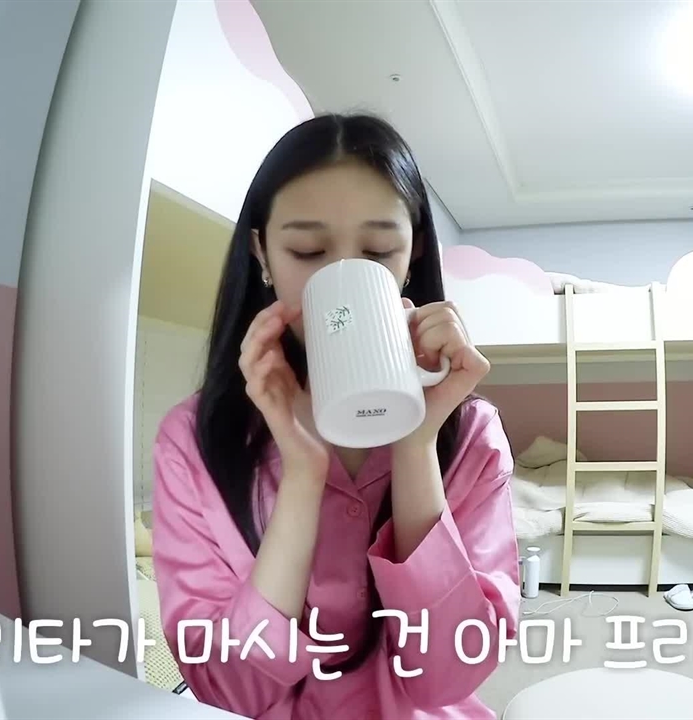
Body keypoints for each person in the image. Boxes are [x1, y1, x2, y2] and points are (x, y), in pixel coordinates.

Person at [151, 113, 520, 720]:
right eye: (308, 250)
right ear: (262, 254)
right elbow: (229, 691)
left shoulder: (471, 434)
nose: (342, 277)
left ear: (413, 252)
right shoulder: (193, 441)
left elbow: (446, 678)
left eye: (378, 251)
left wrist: (415, 444)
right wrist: (302, 474)